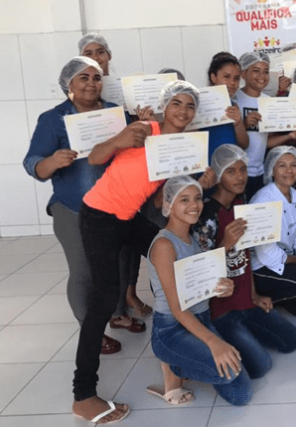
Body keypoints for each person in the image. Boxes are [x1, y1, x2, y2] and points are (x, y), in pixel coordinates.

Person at [72, 81, 216, 424]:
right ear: (165, 106)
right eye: (176, 103)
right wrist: (119, 140)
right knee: (104, 300)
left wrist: (201, 184)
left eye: (190, 106)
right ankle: (83, 395)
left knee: (172, 257)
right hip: (100, 216)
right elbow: (95, 157)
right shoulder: (144, 129)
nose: (183, 110)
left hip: (129, 216)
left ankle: (175, 358)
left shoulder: (182, 147)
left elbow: (159, 198)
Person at [24, 57, 125, 356]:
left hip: (114, 207)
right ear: (68, 84)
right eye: (84, 78)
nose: (92, 83)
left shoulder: (114, 113)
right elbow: (32, 164)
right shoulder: (53, 119)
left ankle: (117, 313)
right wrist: (52, 161)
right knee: (84, 272)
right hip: (73, 209)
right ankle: (91, 332)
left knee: (117, 264)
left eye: (96, 77)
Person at [193, 145, 296, 378]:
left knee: (292, 340)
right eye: (231, 171)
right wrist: (225, 244)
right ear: (218, 175)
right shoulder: (207, 214)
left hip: (244, 300)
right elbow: (199, 271)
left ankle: (244, 335)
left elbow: (246, 257)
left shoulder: (242, 204)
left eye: (243, 169)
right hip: (219, 309)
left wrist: (254, 295)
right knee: (261, 367)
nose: (240, 177)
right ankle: (218, 339)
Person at [147, 176, 252, 406]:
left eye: (197, 198)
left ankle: (185, 361)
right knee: (230, 374)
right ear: (168, 205)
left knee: (241, 394)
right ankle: (173, 366)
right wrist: (213, 342)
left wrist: (221, 288)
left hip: (200, 319)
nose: (194, 205)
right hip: (171, 328)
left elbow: (200, 284)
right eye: (184, 199)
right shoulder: (165, 245)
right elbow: (177, 308)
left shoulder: (193, 238)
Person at [79, 33, 153, 319]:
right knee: (107, 253)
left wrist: (141, 118)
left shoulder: (125, 88)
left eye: (100, 52)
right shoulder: (81, 92)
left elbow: (133, 131)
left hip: (129, 175)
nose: (96, 58)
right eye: (89, 53)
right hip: (98, 176)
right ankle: (115, 309)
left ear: (109, 55)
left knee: (130, 247)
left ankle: (130, 293)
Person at [249, 146, 296, 318]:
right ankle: (254, 299)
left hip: (287, 259)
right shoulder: (262, 200)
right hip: (262, 266)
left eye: (293, 165)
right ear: (272, 170)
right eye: (282, 165)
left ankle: (278, 297)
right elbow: (266, 253)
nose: (289, 170)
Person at [235, 51, 271, 200]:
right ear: (244, 74)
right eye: (256, 70)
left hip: (260, 171)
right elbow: (226, 137)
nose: (262, 75)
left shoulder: (269, 102)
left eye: (266, 71)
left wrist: (291, 136)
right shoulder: (235, 99)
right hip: (237, 172)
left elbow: (266, 141)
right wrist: (243, 124)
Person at [205, 54, 250, 157]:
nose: (232, 82)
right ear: (213, 77)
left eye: (236, 78)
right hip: (207, 164)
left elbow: (244, 144)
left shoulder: (234, 106)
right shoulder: (199, 104)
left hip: (230, 164)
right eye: (226, 77)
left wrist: (238, 124)